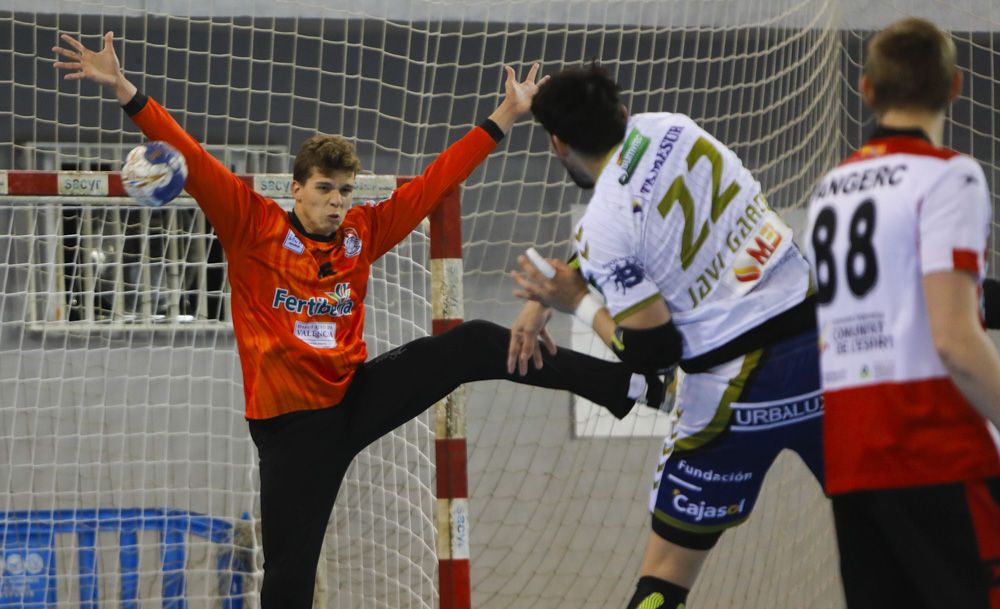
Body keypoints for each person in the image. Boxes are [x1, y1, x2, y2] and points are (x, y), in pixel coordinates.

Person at [52, 33, 664, 609]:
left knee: (474, 341)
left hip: (357, 394)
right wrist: (124, 89)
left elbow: (435, 182)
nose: (338, 202)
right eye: (325, 189)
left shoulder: (361, 234)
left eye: (346, 191)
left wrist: (504, 116)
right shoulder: (250, 224)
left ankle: (628, 385)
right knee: (289, 577)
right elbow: (188, 153)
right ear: (296, 188)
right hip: (293, 433)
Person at [508, 64, 824, 609]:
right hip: (821, 352)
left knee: (664, 580)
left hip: (731, 394)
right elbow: (642, 216)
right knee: (893, 523)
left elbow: (655, 352)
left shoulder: (600, 227)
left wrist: (572, 300)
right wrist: (558, 290)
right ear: (623, 115)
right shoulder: (672, 127)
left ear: (557, 143)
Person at [803, 18, 1000, 608]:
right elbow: (953, 339)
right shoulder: (949, 175)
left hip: (852, 453)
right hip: (934, 444)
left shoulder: (829, 190)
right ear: (955, 87)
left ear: (867, 90)